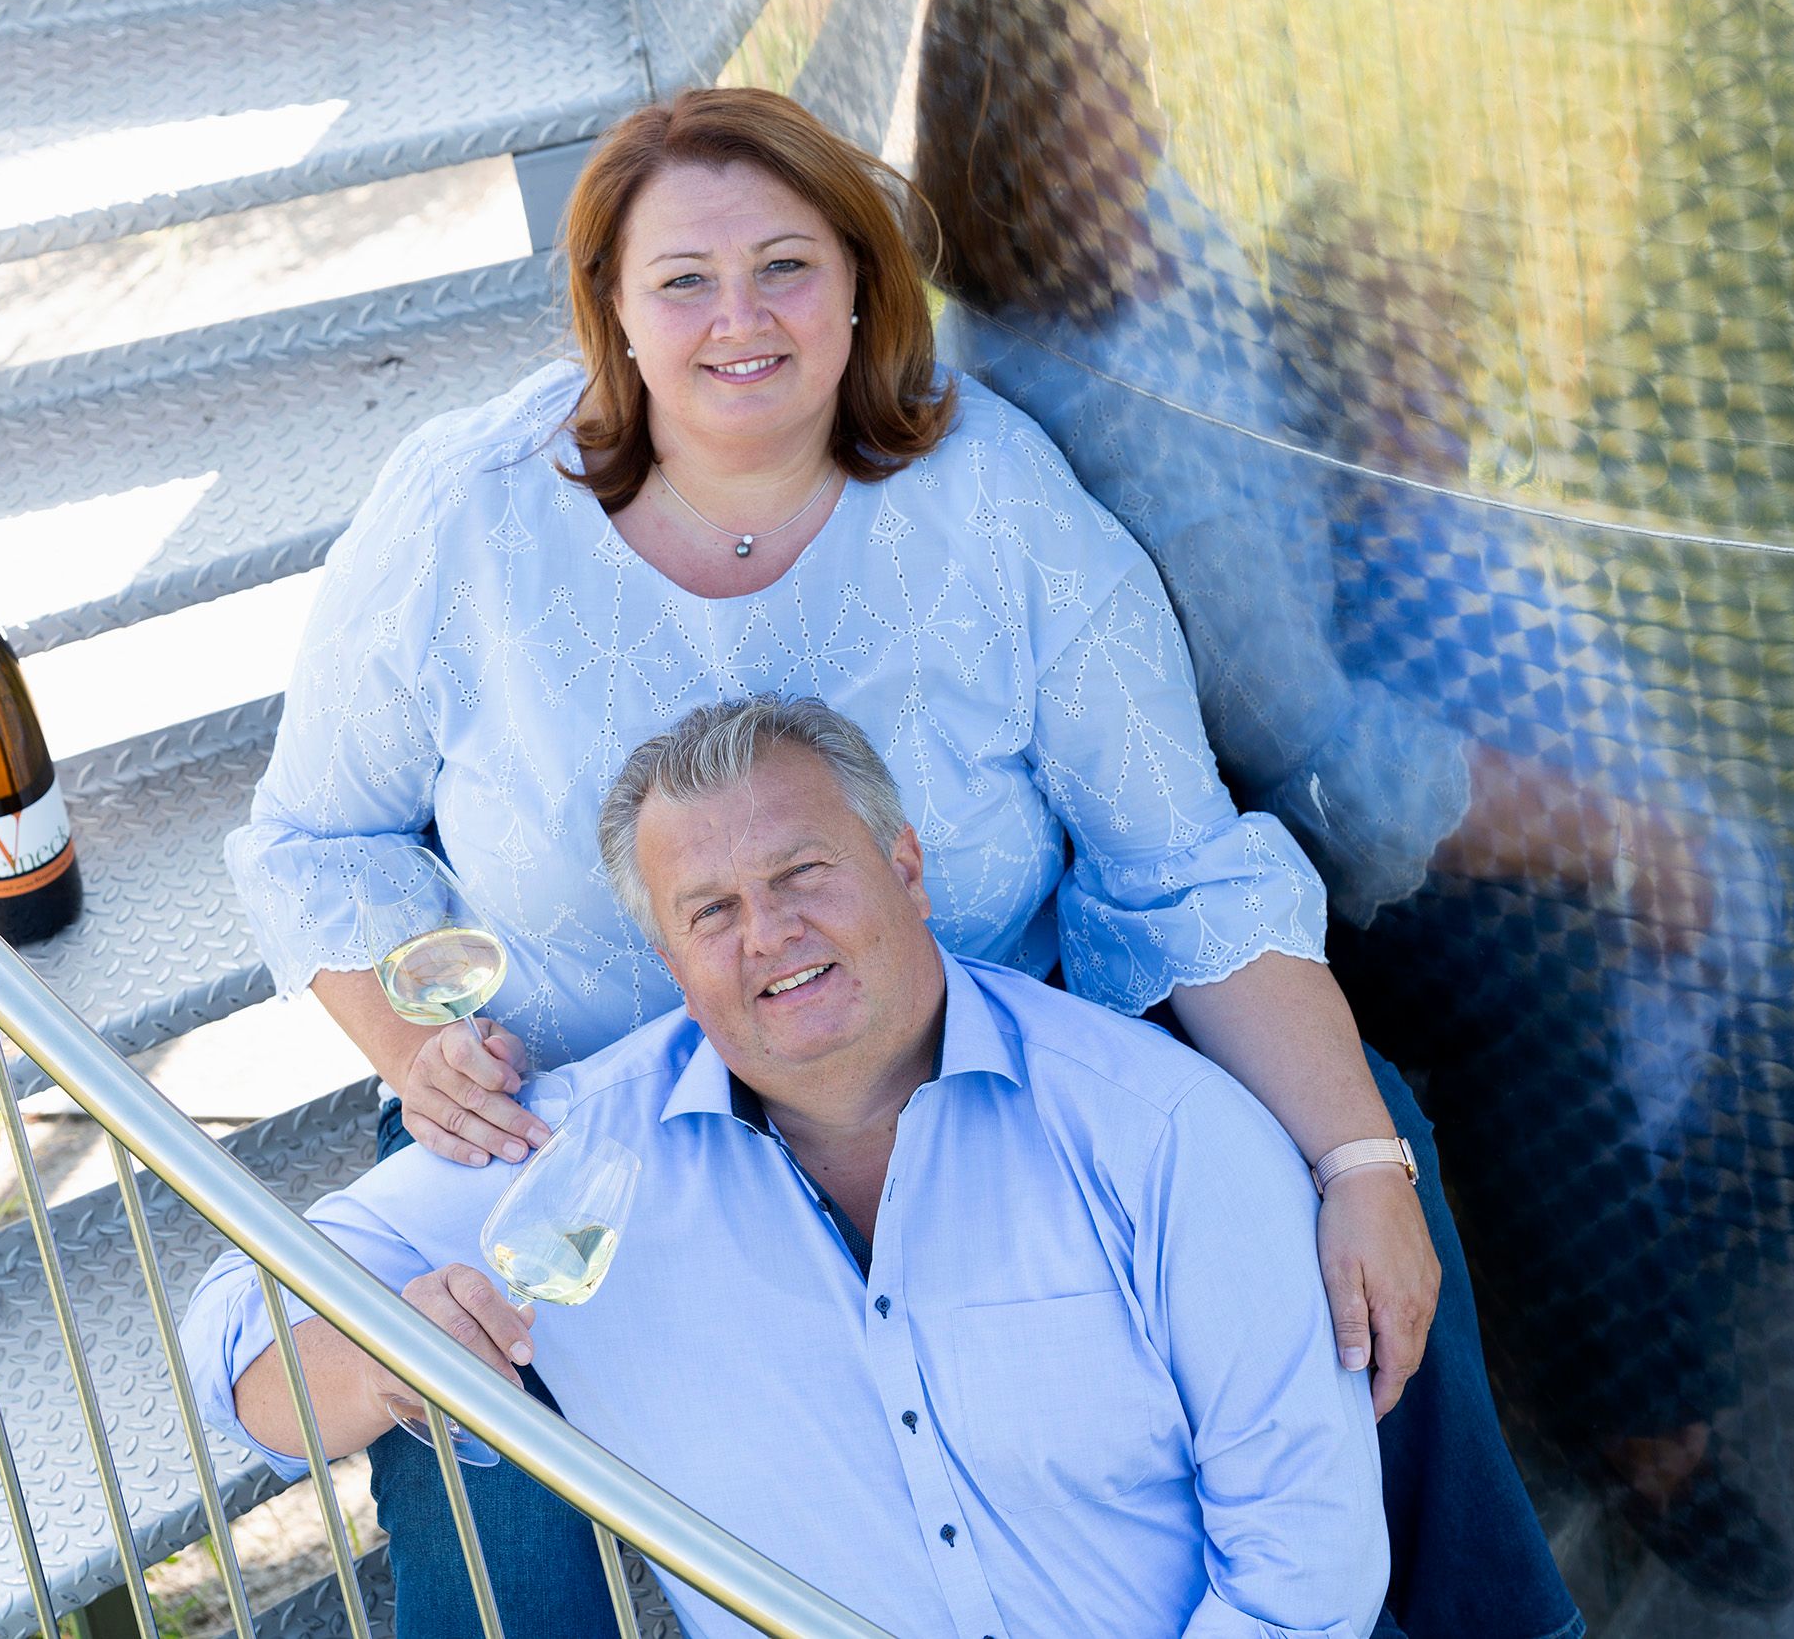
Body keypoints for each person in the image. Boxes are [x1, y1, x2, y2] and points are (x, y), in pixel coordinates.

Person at [224, 84, 1532, 1636]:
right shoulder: (468, 512)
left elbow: (1179, 866)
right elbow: (313, 838)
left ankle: (1488, 1620)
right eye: (683, 282)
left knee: (1372, 1168)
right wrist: (414, 1043)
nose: (740, 321)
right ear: (612, 315)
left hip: (975, 1090)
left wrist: (1359, 1168)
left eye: (786, 265)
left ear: (861, 286)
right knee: (465, 1422)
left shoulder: (991, 497)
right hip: (584, 1130)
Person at [909, 0, 1787, 1612]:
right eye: (1082, 109)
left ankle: (1662, 1220)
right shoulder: (1097, 417)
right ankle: (1650, 1431)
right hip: (1185, 841)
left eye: (1122, 74)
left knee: (1667, 806)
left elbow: (1296, 414)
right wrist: (1611, 842)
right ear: (1006, 161)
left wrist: (1384, 367)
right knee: (1532, 967)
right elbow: (1319, 764)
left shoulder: (1152, 225)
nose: (1134, 125)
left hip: (1316, 679)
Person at [190, 697, 1391, 1639]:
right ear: (669, 954)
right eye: (709, 909)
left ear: (906, 868)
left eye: (803, 872)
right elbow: (233, 1344)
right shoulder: (570, 1157)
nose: (767, 932)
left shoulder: (1164, 1131)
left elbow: (1304, 1569)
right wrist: (378, 1356)